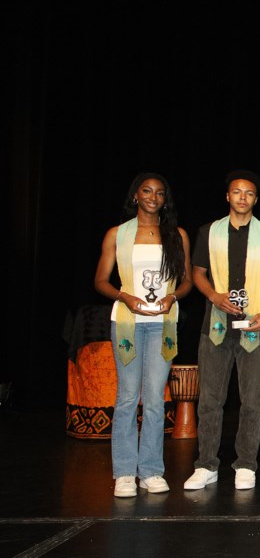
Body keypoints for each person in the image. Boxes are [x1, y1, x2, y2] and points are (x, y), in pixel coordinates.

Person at [94, 173, 193, 498]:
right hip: (127, 323)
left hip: (162, 324)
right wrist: (125, 297)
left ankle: (150, 471)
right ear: (136, 196)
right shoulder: (117, 234)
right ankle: (124, 472)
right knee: (126, 398)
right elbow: (101, 281)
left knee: (153, 400)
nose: (153, 197)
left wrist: (172, 297)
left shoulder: (176, 235)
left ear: (165, 200)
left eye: (160, 193)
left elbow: (187, 281)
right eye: (147, 191)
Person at [183, 170, 260, 491]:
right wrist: (213, 296)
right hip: (215, 328)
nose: (243, 198)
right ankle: (206, 464)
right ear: (227, 196)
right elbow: (197, 273)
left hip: (254, 327)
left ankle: (246, 464)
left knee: (252, 400)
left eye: (249, 193)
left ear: (256, 199)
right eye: (237, 192)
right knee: (210, 399)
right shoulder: (209, 232)